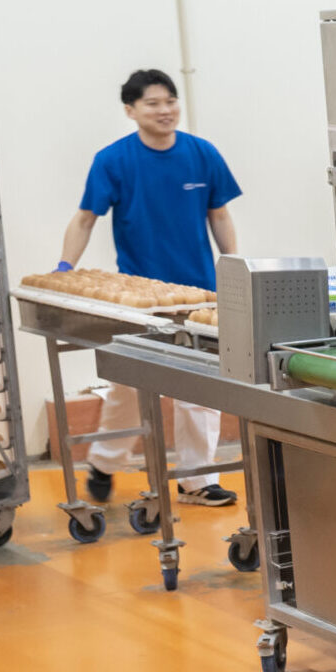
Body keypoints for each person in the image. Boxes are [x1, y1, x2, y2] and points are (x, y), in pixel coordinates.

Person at [59, 69, 241, 507]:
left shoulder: (202, 153)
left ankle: (196, 481)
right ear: (131, 110)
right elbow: (85, 219)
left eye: (170, 101)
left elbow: (219, 214)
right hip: (139, 298)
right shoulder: (113, 160)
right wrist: (64, 268)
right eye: (153, 103)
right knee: (129, 389)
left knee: (200, 389)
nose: (165, 110)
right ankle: (104, 463)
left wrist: (233, 266)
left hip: (197, 293)